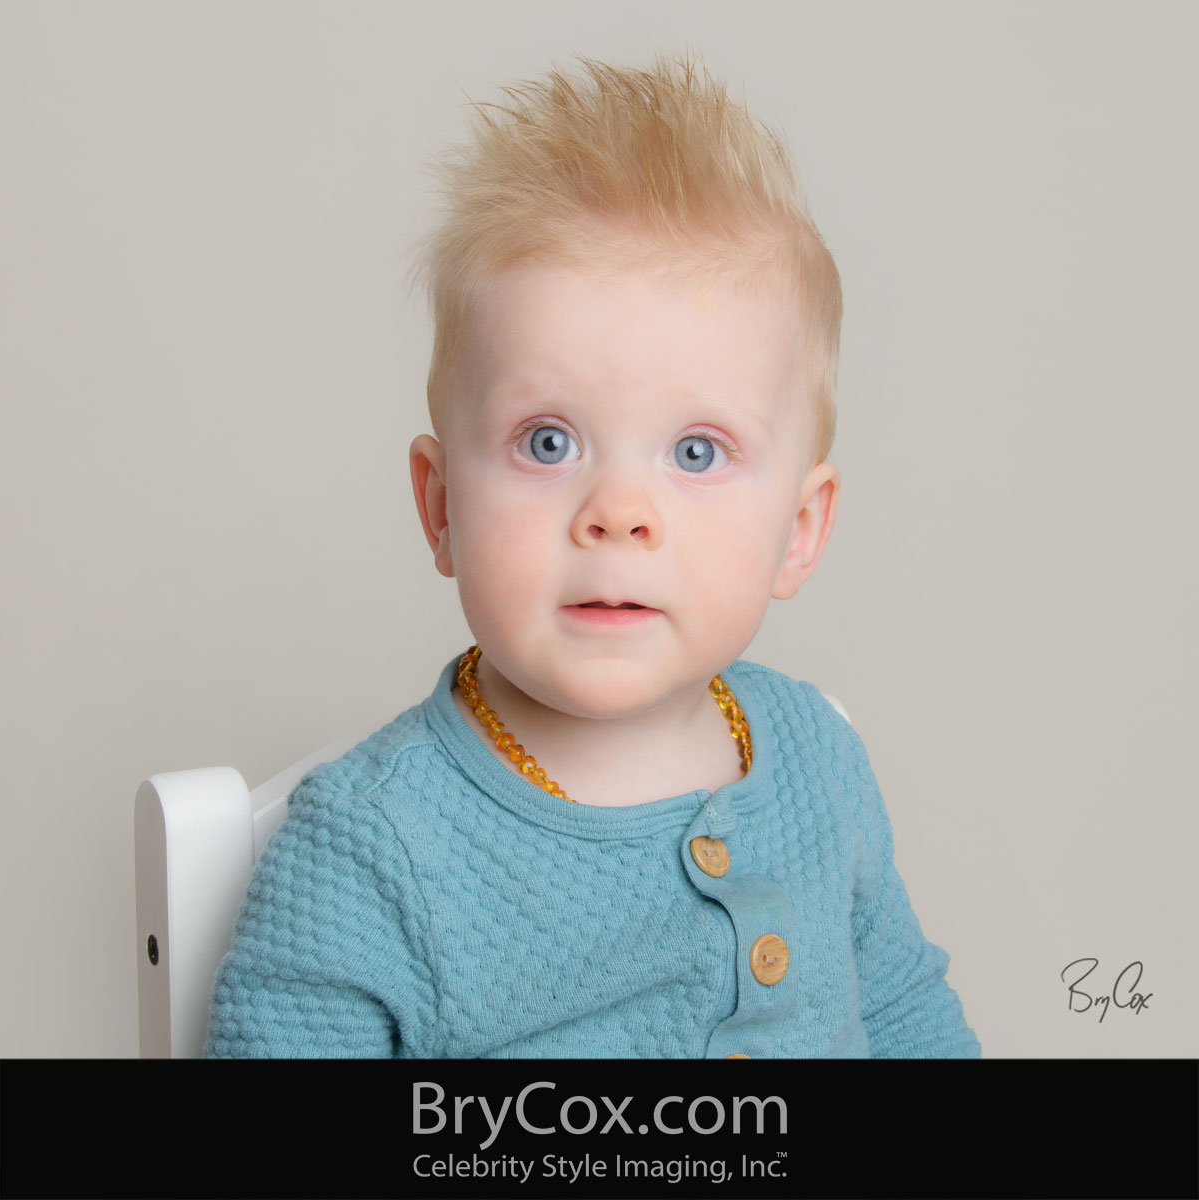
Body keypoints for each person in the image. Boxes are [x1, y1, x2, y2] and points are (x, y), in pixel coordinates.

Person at [204, 54, 980, 1058]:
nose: (617, 514)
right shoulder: (372, 850)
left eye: (696, 453)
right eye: (547, 442)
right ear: (440, 508)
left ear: (800, 529)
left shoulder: (816, 758)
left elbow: (907, 1017)